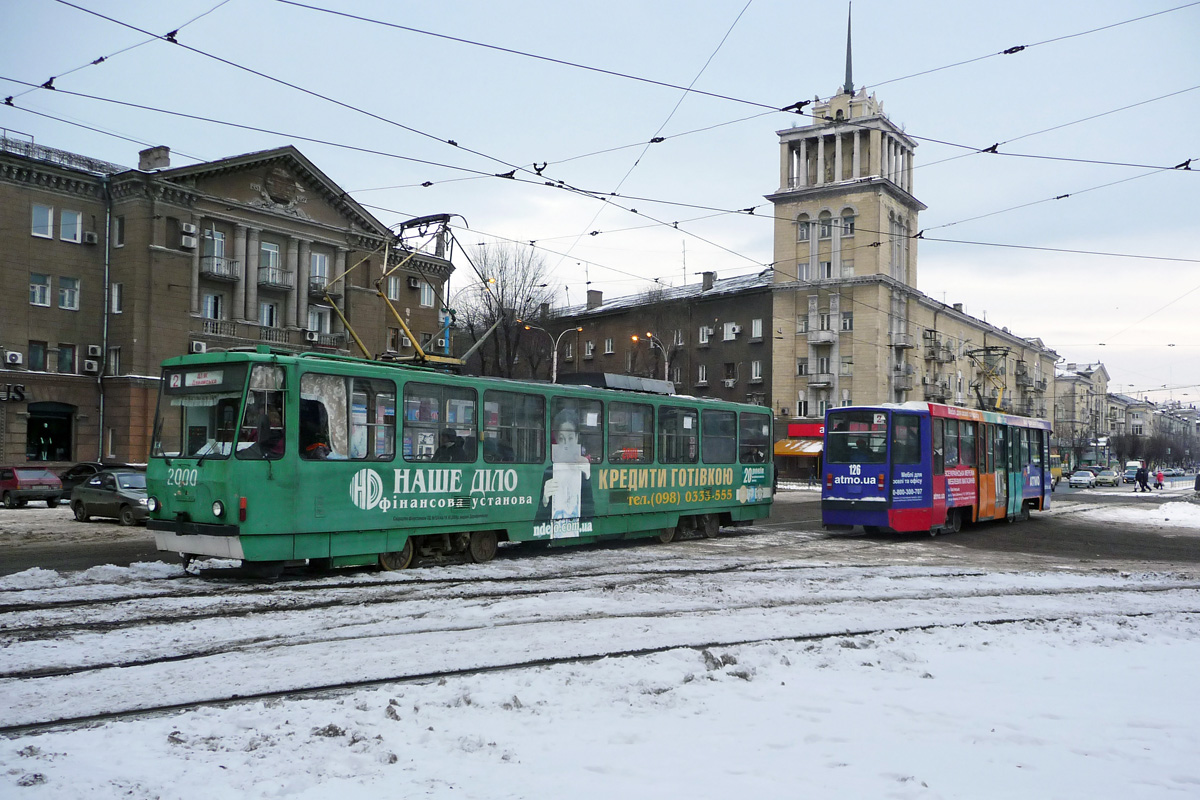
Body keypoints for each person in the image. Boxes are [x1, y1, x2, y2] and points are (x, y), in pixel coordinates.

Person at [535, 409, 594, 530]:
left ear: (577, 437)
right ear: (556, 439)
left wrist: (587, 478)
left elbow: (591, 520)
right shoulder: (549, 472)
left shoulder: (585, 470)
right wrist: (545, 501)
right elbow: (537, 526)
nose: (566, 444)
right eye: (561, 439)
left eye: (571, 438)